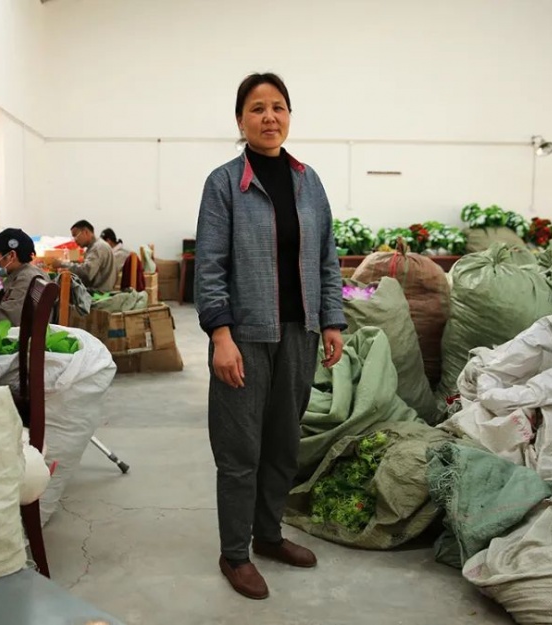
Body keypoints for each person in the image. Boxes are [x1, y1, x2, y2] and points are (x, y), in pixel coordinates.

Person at [194, 72, 346, 600]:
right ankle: (235, 553)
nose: (269, 117)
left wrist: (331, 319)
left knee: (283, 443)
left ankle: (269, 535)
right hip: (245, 337)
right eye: (257, 108)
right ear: (240, 120)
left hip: (300, 334)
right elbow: (209, 266)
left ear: (289, 115)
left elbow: (327, 257)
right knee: (240, 450)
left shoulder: (309, 181)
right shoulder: (224, 183)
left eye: (278, 107)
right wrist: (221, 336)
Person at [0, 228, 49, 326]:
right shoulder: (24, 272)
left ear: (11, 255)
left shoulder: (26, 279)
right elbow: (5, 295)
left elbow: (5, 318)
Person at [60, 220, 117, 292]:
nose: (75, 240)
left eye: (75, 236)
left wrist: (62, 264)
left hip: (98, 293)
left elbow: (87, 273)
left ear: (85, 232)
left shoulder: (97, 248)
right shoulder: (95, 246)